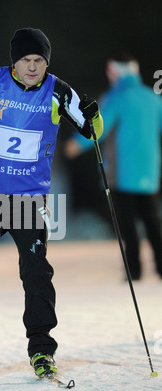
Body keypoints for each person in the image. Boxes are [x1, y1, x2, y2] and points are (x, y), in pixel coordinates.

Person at [0, 27, 103, 378]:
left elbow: (94, 131)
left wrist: (93, 112)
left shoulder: (58, 90)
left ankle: (42, 349)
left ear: (46, 62)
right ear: (14, 62)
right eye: (26, 60)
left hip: (29, 199)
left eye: (39, 60)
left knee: (37, 273)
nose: (32, 66)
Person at [65, 53, 162, 281]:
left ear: (114, 72)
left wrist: (75, 145)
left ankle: (134, 271)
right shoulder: (153, 98)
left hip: (122, 173)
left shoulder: (115, 98)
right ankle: (160, 267)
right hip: (150, 172)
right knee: (152, 222)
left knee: (127, 225)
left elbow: (99, 128)